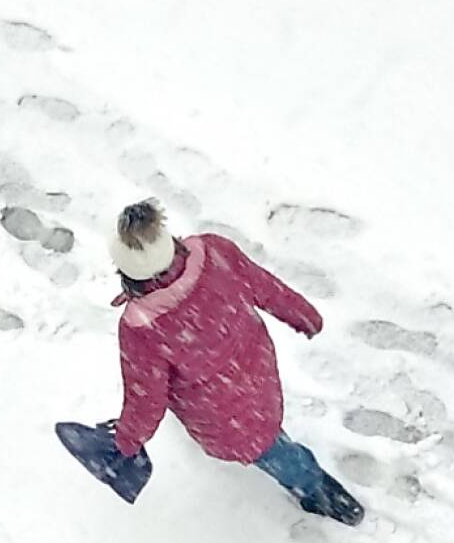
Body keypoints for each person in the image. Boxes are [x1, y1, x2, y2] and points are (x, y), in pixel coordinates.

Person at [106, 199, 363, 525]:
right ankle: (304, 474)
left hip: (218, 412)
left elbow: (147, 401)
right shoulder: (214, 253)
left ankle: (320, 492)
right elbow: (267, 287)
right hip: (257, 371)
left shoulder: (141, 329)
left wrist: (126, 442)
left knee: (269, 448)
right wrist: (303, 315)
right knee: (264, 429)